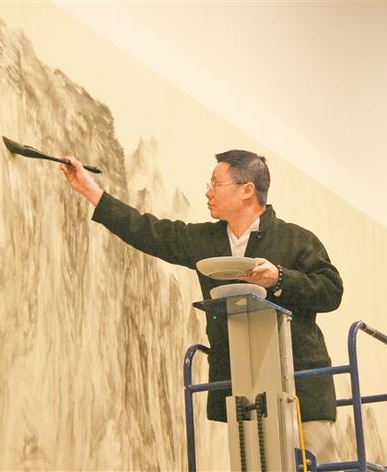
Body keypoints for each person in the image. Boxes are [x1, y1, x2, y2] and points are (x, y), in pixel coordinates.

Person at [61, 150, 344, 463]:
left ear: (247, 189)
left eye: (215, 184)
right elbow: (147, 231)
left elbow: (332, 290)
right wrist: (90, 190)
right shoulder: (205, 240)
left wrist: (279, 278)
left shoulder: (297, 240)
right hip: (244, 395)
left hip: (302, 387)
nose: (208, 192)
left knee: (315, 466)